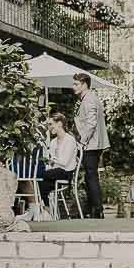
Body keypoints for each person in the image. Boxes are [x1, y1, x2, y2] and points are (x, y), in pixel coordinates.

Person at [72, 72, 109, 219]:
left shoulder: (89, 100)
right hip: (93, 143)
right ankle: (94, 208)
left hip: (91, 144)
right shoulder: (89, 98)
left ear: (84, 84)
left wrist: (83, 141)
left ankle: (97, 209)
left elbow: (91, 123)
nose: (73, 87)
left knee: (91, 176)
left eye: (76, 84)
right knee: (90, 176)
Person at [42, 113, 79, 214]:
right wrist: (51, 162)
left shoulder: (70, 140)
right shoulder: (53, 142)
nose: (49, 127)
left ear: (59, 124)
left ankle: (45, 210)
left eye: (50, 124)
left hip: (66, 172)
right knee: (41, 183)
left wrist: (53, 160)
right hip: (55, 172)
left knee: (40, 175)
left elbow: (65, 162)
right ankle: (47, 211)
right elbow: (52, 163)